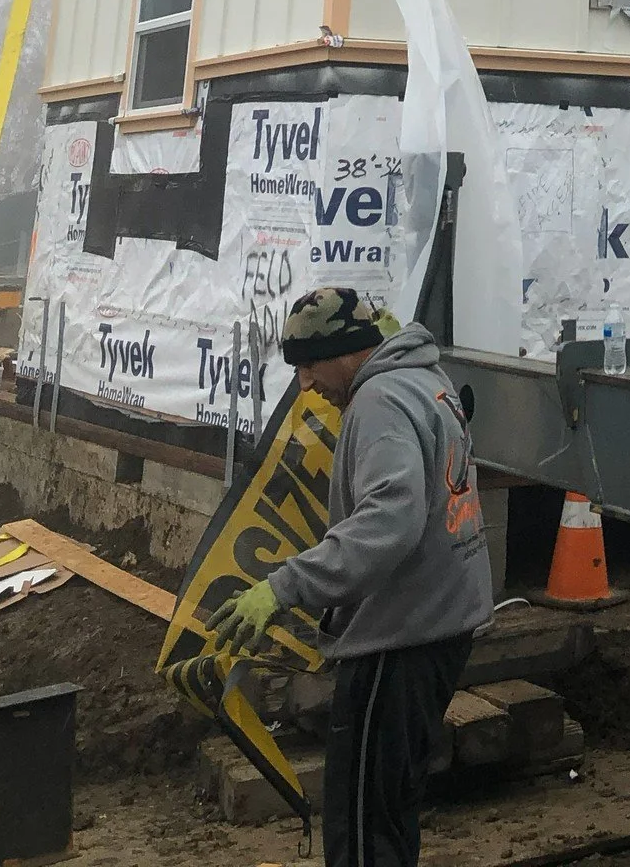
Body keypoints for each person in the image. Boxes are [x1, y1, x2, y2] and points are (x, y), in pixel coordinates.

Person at [208, 288, 492, 867]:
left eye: (309, 365)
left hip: (401, 638)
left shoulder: (380, 400)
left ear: (344, 351)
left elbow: (391, 518)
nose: (306, 384)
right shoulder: (421, 379)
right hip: (440, 622)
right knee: (388, 809)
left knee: (361, 823)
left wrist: (285, 587)